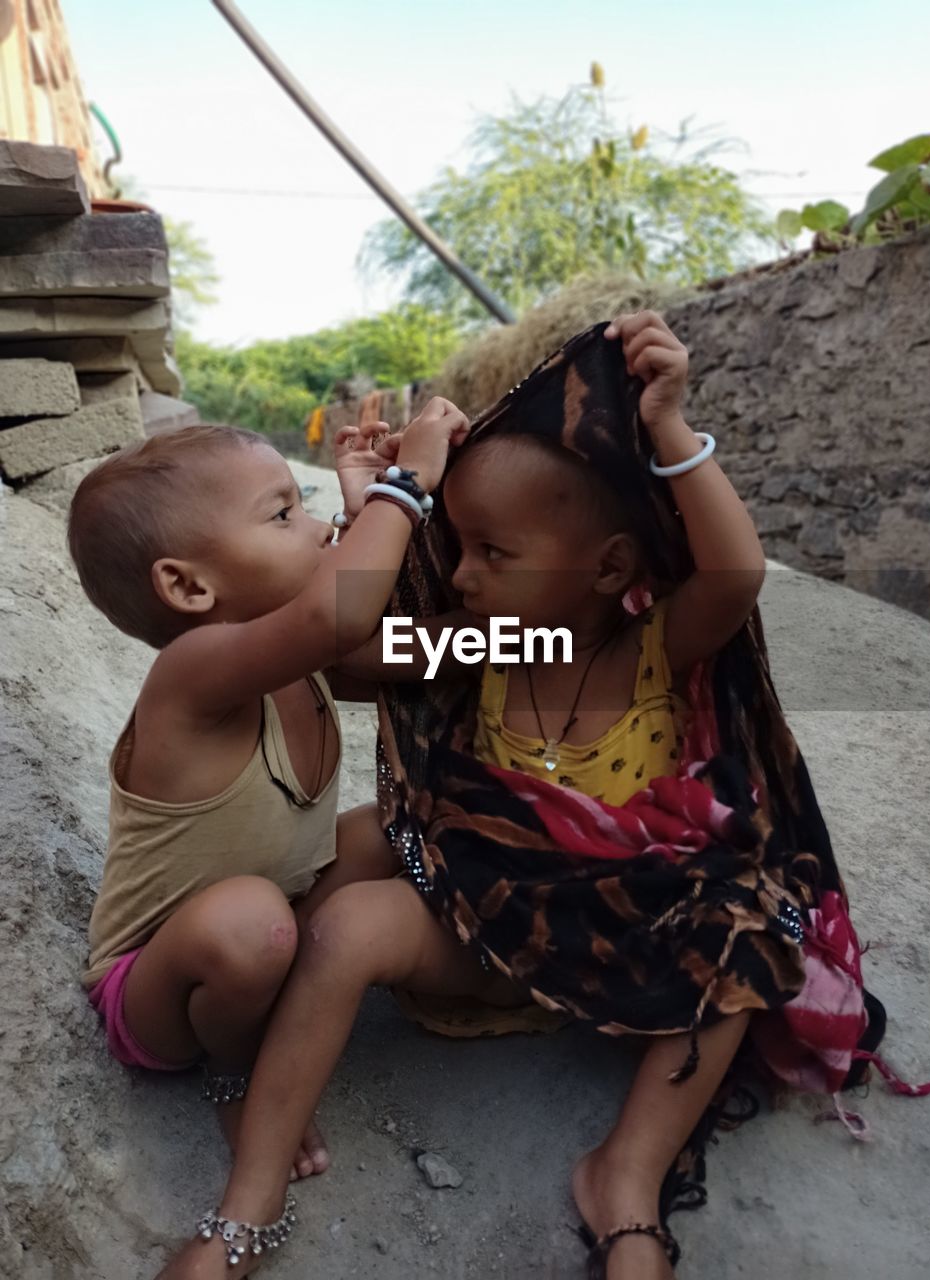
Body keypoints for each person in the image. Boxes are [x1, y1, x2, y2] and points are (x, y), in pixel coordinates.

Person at [155, 311, 839, 1280]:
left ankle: (626, 1178)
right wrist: (367, 504)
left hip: (626, 940)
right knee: (349, 896)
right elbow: (347, 653)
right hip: (484, 923)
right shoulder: (499, 642)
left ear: (608, 567)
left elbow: (734, 570)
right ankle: (252, 1191)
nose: (461, 574)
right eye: (456, 545)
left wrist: (672, 425)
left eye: (492, 553)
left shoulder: (655, 652)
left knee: (748, 934)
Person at [71, 396, 469, 1183]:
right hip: (163, 986)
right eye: (283, 514)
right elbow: (338, 614)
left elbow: (418, 647)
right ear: (188, 588)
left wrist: (565, 635)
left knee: (394, 825)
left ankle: (284, 998)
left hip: (277, 915)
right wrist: (408, 483)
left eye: (310, 504)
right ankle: (234, 1068)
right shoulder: (192, 676)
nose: (318, 527)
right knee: (251, 924)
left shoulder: (304, 655)